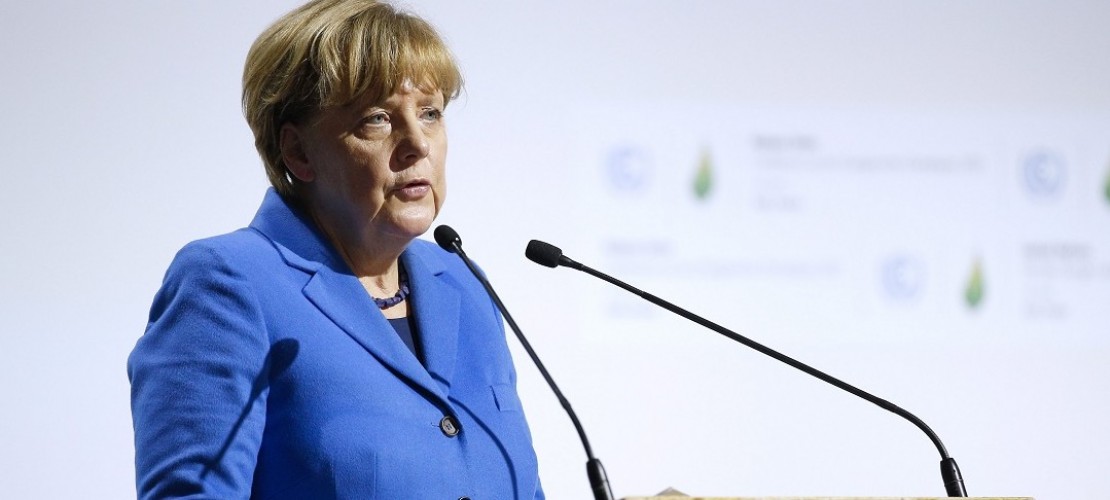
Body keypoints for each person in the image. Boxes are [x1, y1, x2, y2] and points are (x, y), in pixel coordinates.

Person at [127, 1, 545, 498]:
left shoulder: (462, 283)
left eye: (430, 113)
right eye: (377, 118)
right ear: (298, 152)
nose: (417, 143)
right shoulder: (228, 284)